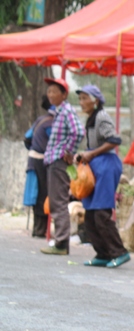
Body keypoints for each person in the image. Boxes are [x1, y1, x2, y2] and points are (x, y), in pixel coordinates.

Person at [74, 85, 129, 268]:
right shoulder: (91, 118)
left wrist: (92, 153)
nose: (81, 102)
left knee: (101, 213)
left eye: (84, 98)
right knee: (89, 213)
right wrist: (83, 155)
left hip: (106, 166)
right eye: (80, 98)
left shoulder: (102, 116)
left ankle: (119, 252)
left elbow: (114, 140)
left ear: (95, 101)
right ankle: (103, 253)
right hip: (95, 166)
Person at [41, 77, 84, 255]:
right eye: (49, 91)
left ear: (64, 94)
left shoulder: (66, 111)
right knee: (56, 200)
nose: (50, 94)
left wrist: (68, 152)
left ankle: (60, 243)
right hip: (54, 160)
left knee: (58, 202)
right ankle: (60, 242)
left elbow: (78, 132)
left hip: (59, 161)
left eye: (54, 91)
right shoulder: (59, 111)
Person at [24, 95, 55, 239]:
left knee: (35, 195)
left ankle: (37, 229)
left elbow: (27, 137)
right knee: (43, 194)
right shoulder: (52, 123)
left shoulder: (39, 120)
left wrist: (34, 149)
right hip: (43, 162)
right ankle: (41, 230)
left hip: (32, 159)